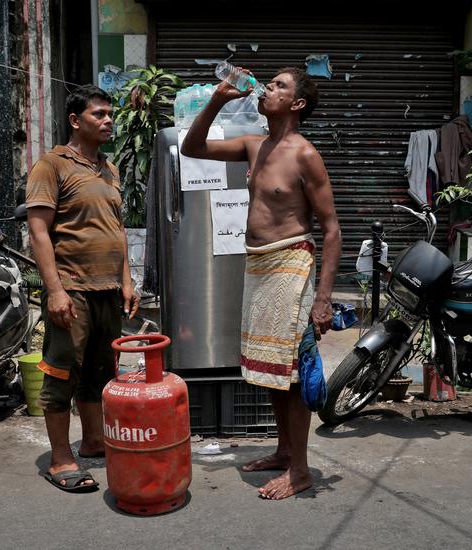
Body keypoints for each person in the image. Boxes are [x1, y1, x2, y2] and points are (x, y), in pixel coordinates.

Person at [181, 67, 341, 500]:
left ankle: (301, 470)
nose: (267, 89)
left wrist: (323, 299)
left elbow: (331, 230)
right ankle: (285, 452)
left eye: (278, 86)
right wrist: (218, 99)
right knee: (267, 369)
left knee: (289, 372)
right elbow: (192, 147)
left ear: (297, 104)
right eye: (268, 83)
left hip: (292, 265)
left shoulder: (304, 154)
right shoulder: (256, 145)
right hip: (259, 266)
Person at [26, 84, 139, 493]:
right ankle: (59, 460)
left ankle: (93, 440)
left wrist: (127, 281)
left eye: (110, 114)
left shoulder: (109, 169)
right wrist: (54, 291)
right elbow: (38, 230)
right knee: (62, 373)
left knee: (100, 374)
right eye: (99, 114)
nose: (109, 120)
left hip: (107, 289)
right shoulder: (51, 165)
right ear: (76, 120)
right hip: (70, 287)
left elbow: (118, 229)